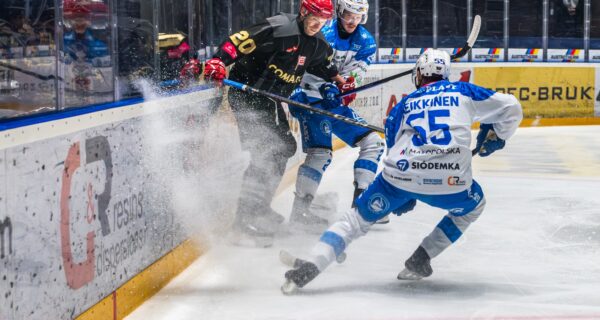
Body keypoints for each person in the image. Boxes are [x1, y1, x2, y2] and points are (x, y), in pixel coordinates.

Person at [282, 49, 523, 292]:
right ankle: (422, 257)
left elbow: (393, 146)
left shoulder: (404, 105)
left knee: (354, 221)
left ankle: (310, 267)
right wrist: (498, 136)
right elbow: (511, 107)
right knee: (473, 207)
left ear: (418, 73)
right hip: (453, 180)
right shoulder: (464, 91)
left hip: (400, 177)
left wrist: (403, 193)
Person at [203, 0, 343, 247]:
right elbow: (238, 40)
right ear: (303, 11)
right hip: (247, 93)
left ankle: (258, 208)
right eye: (314, 17)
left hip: (269, 97)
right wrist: (219, 61)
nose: (317, 23)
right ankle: (242, 221)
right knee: (266, 151)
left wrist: (341, 84)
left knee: (283, 149)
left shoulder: (317, 43)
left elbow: (326, 67)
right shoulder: (281, 27)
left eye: (323, 19)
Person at [286, 0, 388, 232]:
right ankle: (299, 213)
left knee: (373, 142)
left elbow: (356, 75)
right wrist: (321, 87)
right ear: (339, 12)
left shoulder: (366, 42)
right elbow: (302, 67)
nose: (353, 21)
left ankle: (361, 208)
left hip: (333, 102)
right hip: (308, 99)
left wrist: (348, 87)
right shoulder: (322, 30)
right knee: (320, 154)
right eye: (349, 14)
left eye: (359, 16)